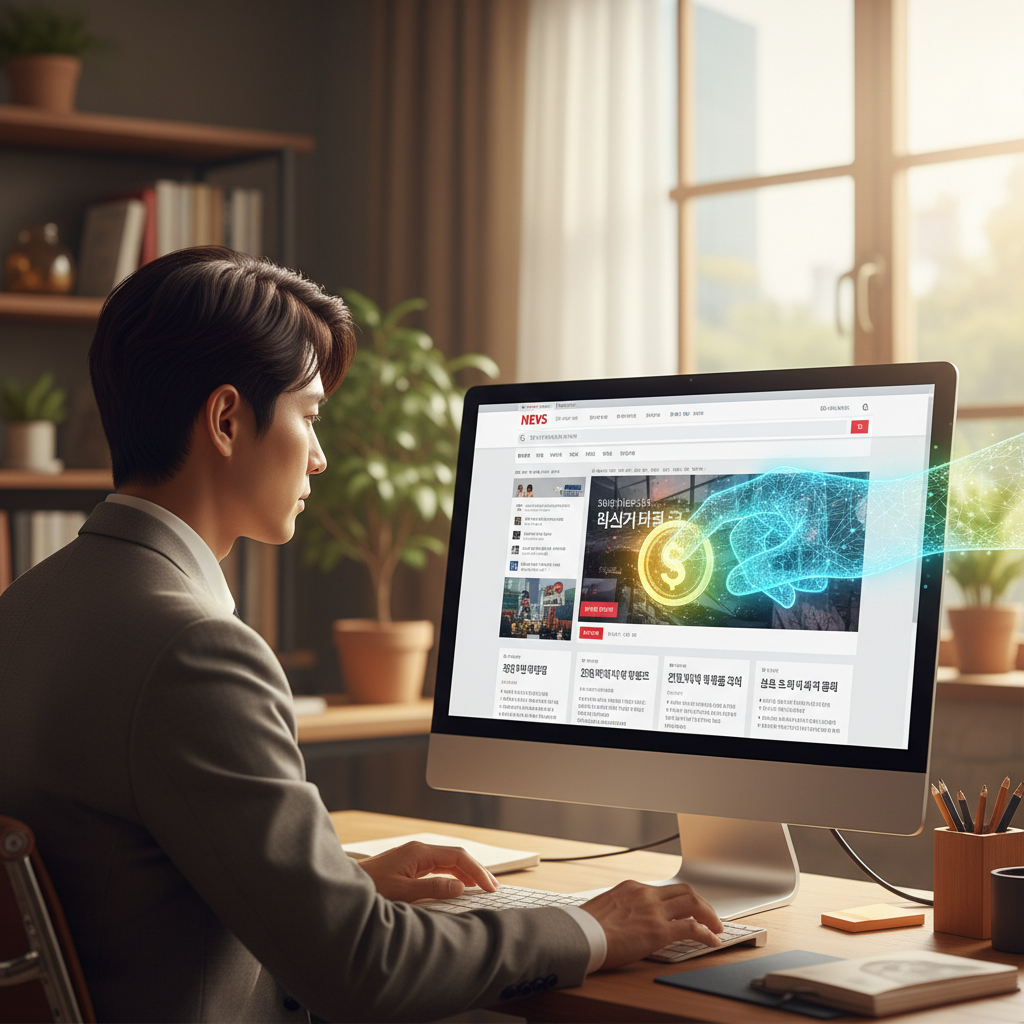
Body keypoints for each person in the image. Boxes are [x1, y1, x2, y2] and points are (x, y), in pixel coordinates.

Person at [0, 248, 721, 1023]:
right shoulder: (194, 650)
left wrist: (338, 882)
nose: (320, 456)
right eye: (309, 415)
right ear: (227, 419)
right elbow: (362, 969)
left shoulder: (30, 605)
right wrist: (588, 927)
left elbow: (129, 876)